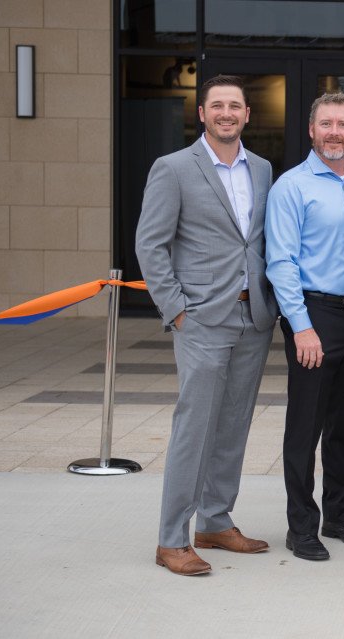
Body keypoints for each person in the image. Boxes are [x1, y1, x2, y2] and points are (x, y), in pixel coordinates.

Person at [136, 74, 277, 576]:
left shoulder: (261, 169)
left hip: (253, 317)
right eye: (217, 105)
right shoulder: (173, 168)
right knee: (194, 428)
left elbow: (255, 242)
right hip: (201, 319)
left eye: (235, 106)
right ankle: (171, 538)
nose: (226, 113)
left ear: (246, 114)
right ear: (202, 113)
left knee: (233, 425)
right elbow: (150, 244)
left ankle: (215, 520)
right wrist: (176, 309)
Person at [265, 92, 344, 562]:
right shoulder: (291, 187)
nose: (335, 132)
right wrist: (301, 327)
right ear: (311, 130)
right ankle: (301, 526)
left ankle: (339, 514)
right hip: (315, 315)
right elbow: (281, 262)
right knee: (306, 425)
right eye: (326, 123)